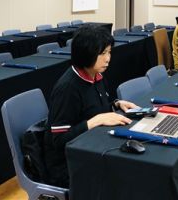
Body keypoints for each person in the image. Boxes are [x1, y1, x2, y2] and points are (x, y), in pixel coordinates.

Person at [44, 25, 138, 187]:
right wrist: (95, 121)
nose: (108, 59)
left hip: (93, 147)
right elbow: (59, 141)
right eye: (102, 53)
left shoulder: (96, 75)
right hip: (68, 164)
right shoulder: (68, 88)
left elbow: (93, 107)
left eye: (109, 52)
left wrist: (116, 104)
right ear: (85, 53)